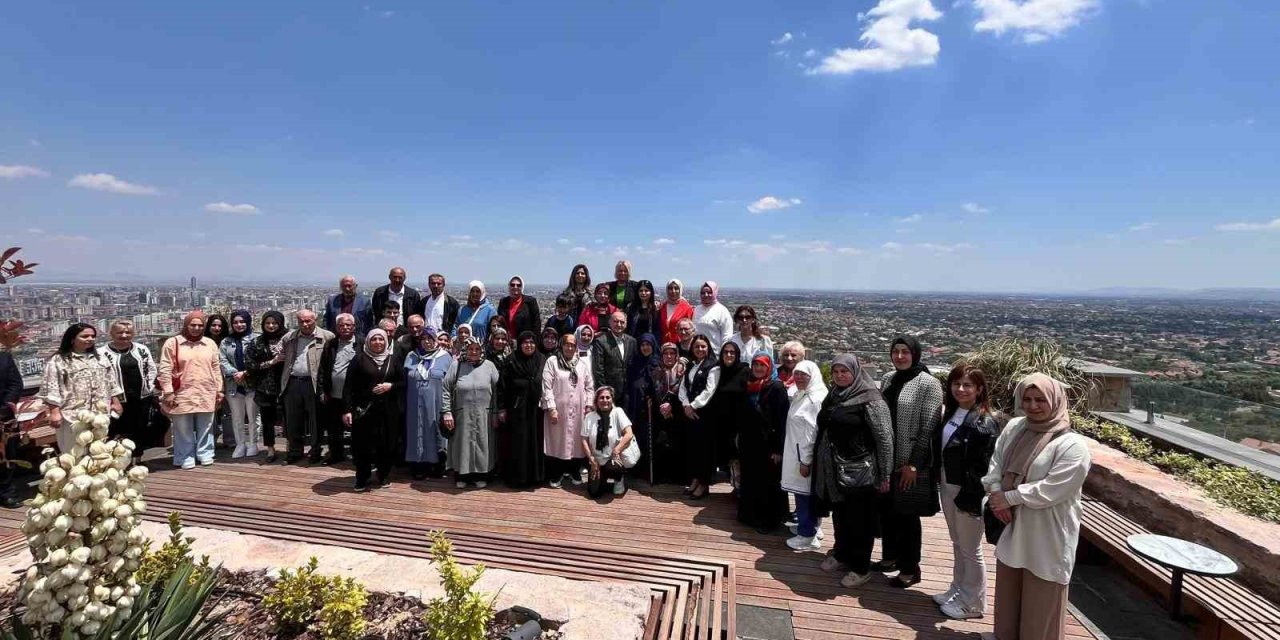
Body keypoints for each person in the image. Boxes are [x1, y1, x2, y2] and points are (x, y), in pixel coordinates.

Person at [983, 373, 1090, 640]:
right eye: (1027, 399)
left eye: (1040, 399)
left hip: (1047, 530)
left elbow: (1054, 488)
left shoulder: (1071, 444)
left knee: (1042, 594)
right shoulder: (1017, 427)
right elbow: (996, 462)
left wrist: (1009, 498)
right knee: (1010, 586)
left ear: (1056, 400)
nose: (1032, 406)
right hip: (1013, 522)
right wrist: (997, 494)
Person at [811, 354, 894, 589]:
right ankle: (842, 553)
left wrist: (886, 474)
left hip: (861, 472)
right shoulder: (835, 395)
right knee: (841, 514)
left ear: (856, 373)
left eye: (844, 372)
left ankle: (861, 567)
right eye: (836, 371)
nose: (839, 376)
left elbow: (885, 438)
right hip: (835, 470)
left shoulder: (870, 398)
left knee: (860, 520)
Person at [874, 336, 944, 588]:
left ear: (915, 354)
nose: (900, 356)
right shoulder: (888, 379)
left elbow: (929, 427)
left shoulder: (929, 384)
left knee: (907, 516)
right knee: (887, 513)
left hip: (908, 462)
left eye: (905, 352)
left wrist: (914, 464)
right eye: (896, 352)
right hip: (887, 460)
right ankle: (890, 557)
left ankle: (910, 568)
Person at [934, 363, 999, 620]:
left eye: (968, 385)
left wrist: (970, 498)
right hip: (948, 484)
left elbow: (983, 467)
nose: (961, 389)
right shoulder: (952, 414)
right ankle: (957, 591)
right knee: (958, 543)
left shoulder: (984, 422)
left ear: (979, 389)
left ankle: (973, 604)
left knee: (971, 550)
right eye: (956, 384)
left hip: (967, 491)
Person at [39, 323, 124, 454]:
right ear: (72, 339)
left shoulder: (100, 358)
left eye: (93, 336)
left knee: (99, 451)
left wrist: (116, 402)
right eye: (85, 336)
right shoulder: (58, 360)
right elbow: (51, 387)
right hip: (72, 415)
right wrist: (54, 412)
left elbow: (111, 381)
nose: (90, 339)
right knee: (73, 453)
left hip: (100, 414)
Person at [341, 328, 405, 491]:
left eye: (381, 339)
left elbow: (403, 382)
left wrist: (390, 386)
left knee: (386, 444)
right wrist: (347, 410)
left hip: (388, 411)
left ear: (386, 341)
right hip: (364, 411)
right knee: (363, 446)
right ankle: (362, 477)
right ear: (368, 341)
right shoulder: (359, 360)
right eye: (374, 339)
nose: (378, 342)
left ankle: (383, 475)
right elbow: (348, 387)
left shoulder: (393, 359)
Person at [158, 312, 224, 469]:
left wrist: (219, 389)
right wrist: (168, 391)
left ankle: (205, 453)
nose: (196, 328)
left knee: (206, 425)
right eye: (193, 325)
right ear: (186, 325)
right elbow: (165, 368)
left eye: (200, 325)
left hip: (206, 390)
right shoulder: (173, 343)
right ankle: (185, 455)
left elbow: (215, 367)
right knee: (182, 426)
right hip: (181, 391)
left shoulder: (210, 343)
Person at [736, 353, 790, 532]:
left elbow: (782, 420)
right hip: (749, 442)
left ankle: (769, 520)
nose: (758, 369)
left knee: (768, 483)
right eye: (756, 365)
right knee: (750, 479)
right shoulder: (748, 385)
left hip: (768, 444)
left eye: (762, 365)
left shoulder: (776, 387)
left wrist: (778, 449)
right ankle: (749, 515)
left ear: (769, 368)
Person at [442, 337, 501, 489]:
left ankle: (480, 475)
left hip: (484, 414)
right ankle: (462, 476)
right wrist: (447, 412)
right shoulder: (457, 366)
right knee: (462, 445)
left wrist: (495, 413)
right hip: (462, 413)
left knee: (483, 445)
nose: (474, 352)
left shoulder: (489, 366)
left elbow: (496, 391)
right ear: (465, 349)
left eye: (477, 349)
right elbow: (446, 389)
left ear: (482, 350)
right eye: (470, 349)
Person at [782, 360, 828, 551]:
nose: (799, 378)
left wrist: (805, 460)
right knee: (805, 495)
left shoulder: (814, 399)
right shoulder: (803, 394)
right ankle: (812, 528)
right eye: (797, 374)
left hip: (803, 456)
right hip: (797, 452)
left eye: (804, 375)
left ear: (813, 376)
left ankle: (807, 536)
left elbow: (811, 433)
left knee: (803, 496)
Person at [279, 310, 336, 464]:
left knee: (315, 419)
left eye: (308, 321)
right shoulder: (289, 337)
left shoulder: (327, 337)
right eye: (301, 321)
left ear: (315, 319)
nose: (305, 324)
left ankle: (316, 450)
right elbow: (279, 355)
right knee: (293, 419)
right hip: (292, 382)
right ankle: (295, 451)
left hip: (314, 383)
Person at [98, 320, 158, 462]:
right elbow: (101, 377)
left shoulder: (141, 349)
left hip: (141, 398)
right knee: (115, 431)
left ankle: (136, 460)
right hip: (116, 400)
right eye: (120, 332)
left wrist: (149, 387)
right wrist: (112, 396)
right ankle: (116, 463)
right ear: (111, 333)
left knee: (139, 429)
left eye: (128, 332)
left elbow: (151, 369)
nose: (124, 335)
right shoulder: (101, 353)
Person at [540, 332, 594, 488]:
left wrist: (589, 405)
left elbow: (589, 387)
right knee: (557, 441)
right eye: (567, 344)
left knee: (576, 442)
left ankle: (574, 471)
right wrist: (551, 408)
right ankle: (556, 473)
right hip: (559, 409)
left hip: (578, 411)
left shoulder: (582, 364)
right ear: (561, 346)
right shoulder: (553, 361)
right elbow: (546, 386)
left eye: (572, 345)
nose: (570, 347)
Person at [403, 327, 452, 480]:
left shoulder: (445, 357)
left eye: (430, 339)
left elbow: (449, 383)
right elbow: (405, 377)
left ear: (436, 340)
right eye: (424, 339)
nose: (427, 342)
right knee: (416, 431)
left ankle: (438, 465)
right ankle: (419, 465)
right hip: (414, 403)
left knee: (436, 432)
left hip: (436, 402)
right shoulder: (412, 356)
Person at [498, 331, 546, 488]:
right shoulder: (511, 361)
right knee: (519, 442)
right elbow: (502, 387)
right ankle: (518, 478)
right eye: (525, 342)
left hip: (536, 409)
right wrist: (502, 408)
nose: (529, 345)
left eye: (532, 342)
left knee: (535, 441)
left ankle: (535, 477)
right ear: (520, 343)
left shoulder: (541, 359)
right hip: (517, 409)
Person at [677, 334, 719, 500]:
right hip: (690, 414)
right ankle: (695, 479)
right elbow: (683, 388)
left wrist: (693, 406)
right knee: (693, 449)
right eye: (697, 347)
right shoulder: (692, 366)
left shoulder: (714, 366)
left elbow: (709, 391)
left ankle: (703, 483)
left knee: (704, 450)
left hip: (705, 414)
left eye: (703, 346)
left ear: (708, 348)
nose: (700, 349)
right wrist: (686, 405)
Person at [317, 312, 361, 466]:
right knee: (334, 428)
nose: (345, 328)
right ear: (336, 327)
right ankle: (336, 454)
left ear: (354, 326)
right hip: (334, 393)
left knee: (357, 428)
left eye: (348, 325)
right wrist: (322, 390)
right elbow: (322, 369)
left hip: (356, 395)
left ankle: (357, 455)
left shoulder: (362, 344)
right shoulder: (330, 344)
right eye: (341, 325)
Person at [706, 340, 748, 491]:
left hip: (739, 424)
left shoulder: (744, 371)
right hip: (721, 424)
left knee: (739, 458)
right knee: (729, 459)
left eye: (732, 352)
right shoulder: (717, 372)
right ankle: (735, 486)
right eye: (726, 352)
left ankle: (740, 490)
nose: (729, 355)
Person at [217, 310, 259, 458]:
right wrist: (235, 373)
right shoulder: (226, 341)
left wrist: (246, 373)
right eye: (235, 322)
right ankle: (240, 444)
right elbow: (222, 360)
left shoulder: (256, 339)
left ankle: (253, 443)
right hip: (233, 384)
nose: (239, 325)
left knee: (253, 416)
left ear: (248, 322)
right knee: (236, 416)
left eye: (242, 322)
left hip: (252, 383)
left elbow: (259, 360)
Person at [581, 386, 636, 498]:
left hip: (613, 459)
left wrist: (617, 449)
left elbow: (629, 433)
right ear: (596, 400)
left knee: (613, 468)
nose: (605, 400)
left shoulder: (618, 412)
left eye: (608, 397)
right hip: (596, 460)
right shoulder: (589, 417)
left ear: (612, 399)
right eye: (601, 398)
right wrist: (591, 459)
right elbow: (584, 440)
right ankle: (602, 478)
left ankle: (618, 479)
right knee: (594, 493)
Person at [246, 310, 287, 461]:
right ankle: (270, 449)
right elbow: (250, 364)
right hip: (265, 386)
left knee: (289, 417)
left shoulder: (289, 339)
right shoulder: (257, 342)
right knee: (267, 419)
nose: (271, 326)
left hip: (286, 385)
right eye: (268, 323)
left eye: (275, 323)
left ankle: (292, 446)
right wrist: (271, 362)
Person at [623, 333, 658, 483]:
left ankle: (647, 470)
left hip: (650, 407)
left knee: (648, 438)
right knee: (635, 435)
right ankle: (634, 468)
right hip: (635, 404)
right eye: (643, 345)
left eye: (648, 344)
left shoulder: (657, 362)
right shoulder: (634, 362)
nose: (645, 347)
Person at [650, 342, 684, 485]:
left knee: (677, 445)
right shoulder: (656, 372)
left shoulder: (683, 372)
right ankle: (662, 475)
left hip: (678, 413)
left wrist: (672, 407)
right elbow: (652, 391)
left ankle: (677, 476)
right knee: (661, 444)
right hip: (660, 414)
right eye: (666, 354)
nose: (669, 357)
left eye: (672, 353)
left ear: (677, 355)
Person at [592, 311, 636, 407]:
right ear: (610, 323)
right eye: (615, 321)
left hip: (629, 391)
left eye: (622, 322)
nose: (619, 324)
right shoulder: (601, 341)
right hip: (610, 392)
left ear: (626, 323)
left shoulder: (632, 341)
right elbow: (598, 369)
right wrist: (604, 391)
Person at [0, 349, 23, 506]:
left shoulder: (4, 358)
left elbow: (15, 384)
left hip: (4, 417)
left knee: (7, 454)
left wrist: (4, 408)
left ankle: (6, 492)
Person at [693, 281, 734, 351]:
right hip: (697, 353)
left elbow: (727, 336)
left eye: (709, 292)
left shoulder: (722, 310)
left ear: (714, 293)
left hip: (715, 354)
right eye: (703, 293)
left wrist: (723, 353)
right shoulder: (697, 309)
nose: (706, 295)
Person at [658, 279, 694, 346]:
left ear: (680, 290)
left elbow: (691, 330)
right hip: (664, 344)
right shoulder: (662, 306)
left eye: (676, 288)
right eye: (670, 288)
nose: (673, 291)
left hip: (680, 345)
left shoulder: (687, 308)